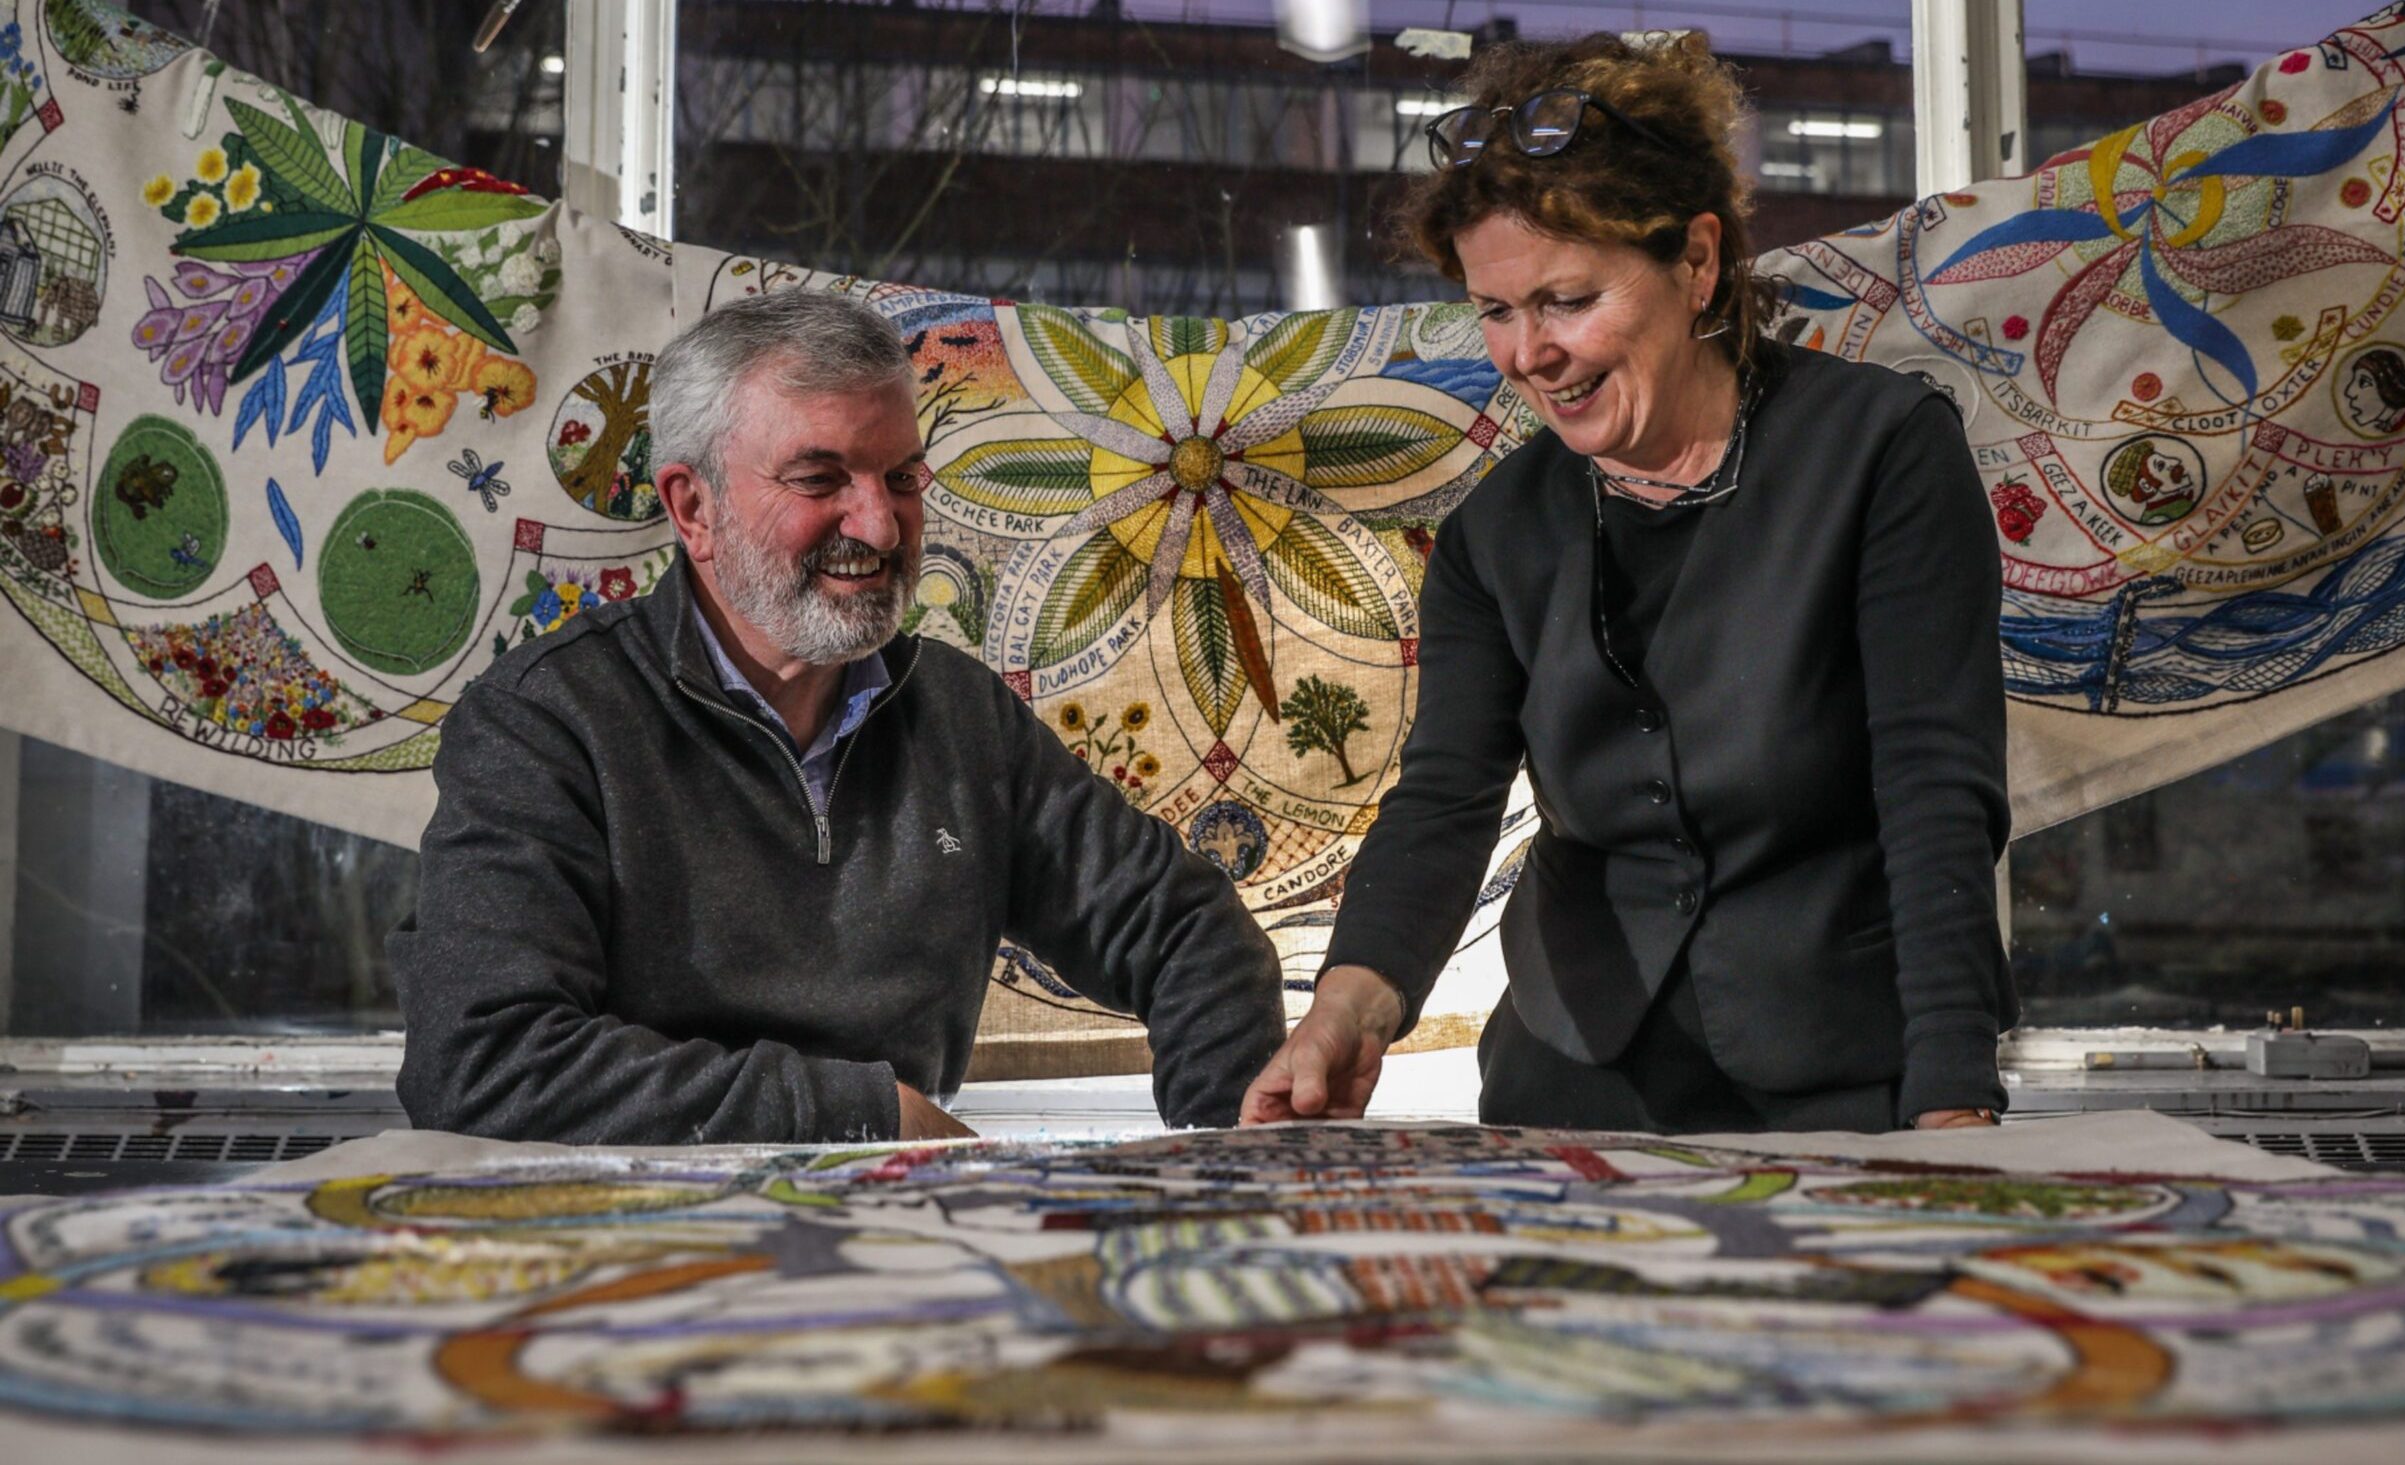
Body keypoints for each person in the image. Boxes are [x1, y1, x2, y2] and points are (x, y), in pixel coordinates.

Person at [1241, 33, 2014, 1135]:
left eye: (1564, 299)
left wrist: (1950, 1092)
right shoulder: (1493, 533)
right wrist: (1345, 1012)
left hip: (1846, 1083)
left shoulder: (1878, 452)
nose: (1525, 354)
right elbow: (1443, 802)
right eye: (1494, 310)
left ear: (1696, 263)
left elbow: (1935, 789)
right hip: (1568, 1089)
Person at [393, 290, 1284, 1144]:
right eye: (821, 478)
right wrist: (865, 1116)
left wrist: (1220, 1159)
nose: (884, 526)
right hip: (633, 1252)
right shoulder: (544, 722)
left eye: (900, 477)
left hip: (901, 1235)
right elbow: (481, 1062)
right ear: (692, 508)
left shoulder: (961, 721)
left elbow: (1189, 934)